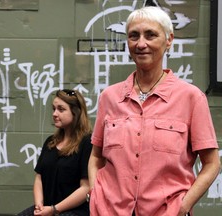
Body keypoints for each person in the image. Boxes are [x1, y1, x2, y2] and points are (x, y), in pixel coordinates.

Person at [87, 6, 221, 216]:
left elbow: (212, 164)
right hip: (109, 210)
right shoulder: (110, 97)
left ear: (169, 40)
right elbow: (96, 156)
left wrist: (184, 205)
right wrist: (95, 193)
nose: (141, 44)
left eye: (150, 35)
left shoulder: (191, 98)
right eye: (134, 36)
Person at [18, 89, 92, 216]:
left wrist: (54, 209)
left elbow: (85, 188)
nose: (54, 113)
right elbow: (39, 178)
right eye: (54, 109)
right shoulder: (50, 142)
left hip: (74, 211)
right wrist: (39, 206)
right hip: (47, 208)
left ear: (76, 113)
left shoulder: (87, 143)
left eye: (61, 109)